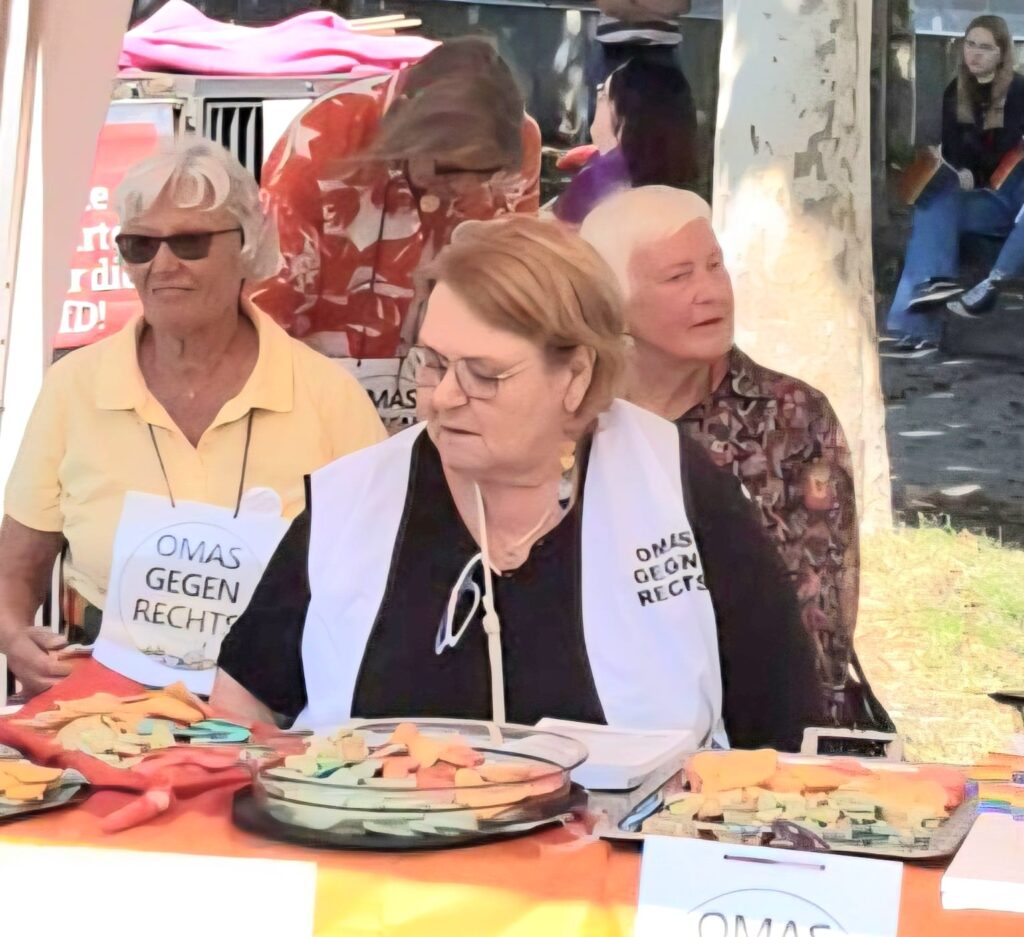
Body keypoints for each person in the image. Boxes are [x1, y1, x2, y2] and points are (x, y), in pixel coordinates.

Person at [213, 215, 822, 751]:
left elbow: (781, 733)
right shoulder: (353, 501)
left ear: (576, 376)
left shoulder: (677, 490)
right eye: (432, 364)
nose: (444, 397)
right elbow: (241, 710)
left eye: (484, 375)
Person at [0, 139, 385, 698]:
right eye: (139, 245)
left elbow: (382, 574)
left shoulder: (330, 397)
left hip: (284, 704)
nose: (162, 265)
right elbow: (16, 567)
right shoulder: (74, 385)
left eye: (189, 242)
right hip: (105, 705)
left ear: (248, 246)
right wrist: (15, 638)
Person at [581, 187, 890, 731]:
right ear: (611, 300)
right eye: (678, 277)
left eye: (715, 266)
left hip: (762, 722)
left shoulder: (792, 415)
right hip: (607, 717)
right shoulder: (579, 415)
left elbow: (820, 624)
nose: (710, 292)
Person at [251, 38, 542, 429]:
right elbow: (269, 303)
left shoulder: (520, 138)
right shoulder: (323, 137)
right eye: (448, 168)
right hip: (317, 392)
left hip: (450, 396)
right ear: (403, 126)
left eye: (485, 174)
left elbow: (511, 292)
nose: (465, 187)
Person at [887, 15, 1024, 351]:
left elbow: (1008, 149)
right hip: (982, 199)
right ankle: (922, 319)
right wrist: (956, 168)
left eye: (985, 48)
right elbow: (955, 150)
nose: (974, 53)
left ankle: (925, 316)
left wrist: (975, 170)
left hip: (1013, 199)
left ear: (1002, 53)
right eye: (970, 44)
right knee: (933, 204)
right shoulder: (956, 91)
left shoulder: (1019, 91)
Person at [554, 57, 699, 225]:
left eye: (602, 95)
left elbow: (556, 229)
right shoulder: (687, 196)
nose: (596, 101)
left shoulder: (599, 180)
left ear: (625, 119)